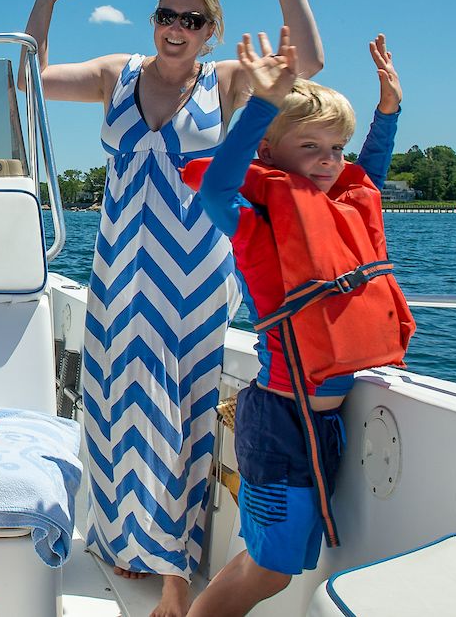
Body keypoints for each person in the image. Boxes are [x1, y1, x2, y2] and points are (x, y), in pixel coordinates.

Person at [20, 0, 324, 617]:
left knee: (180, 419)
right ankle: (125, 543)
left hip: (194, 278)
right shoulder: (116, 74)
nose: (176, 26)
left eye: (191, 18)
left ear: (210, 30)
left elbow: (308, 62)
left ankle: (175, 578)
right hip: (119, 269)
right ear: (154, 20)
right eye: (166, 14)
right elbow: (27, 76)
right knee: (112, 410)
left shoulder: (225, 83)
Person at [182, 31, 412, 616]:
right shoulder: (256, 227)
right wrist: (260, 103)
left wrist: (389, 111)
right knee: (272, 572)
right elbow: (215, 187)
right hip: (284, 422)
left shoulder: (337, 207)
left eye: (338, 147)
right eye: (311, 146)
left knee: (263, 558)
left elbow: (370, 176)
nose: (330, 161)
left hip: (315, 423)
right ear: (269, 152)